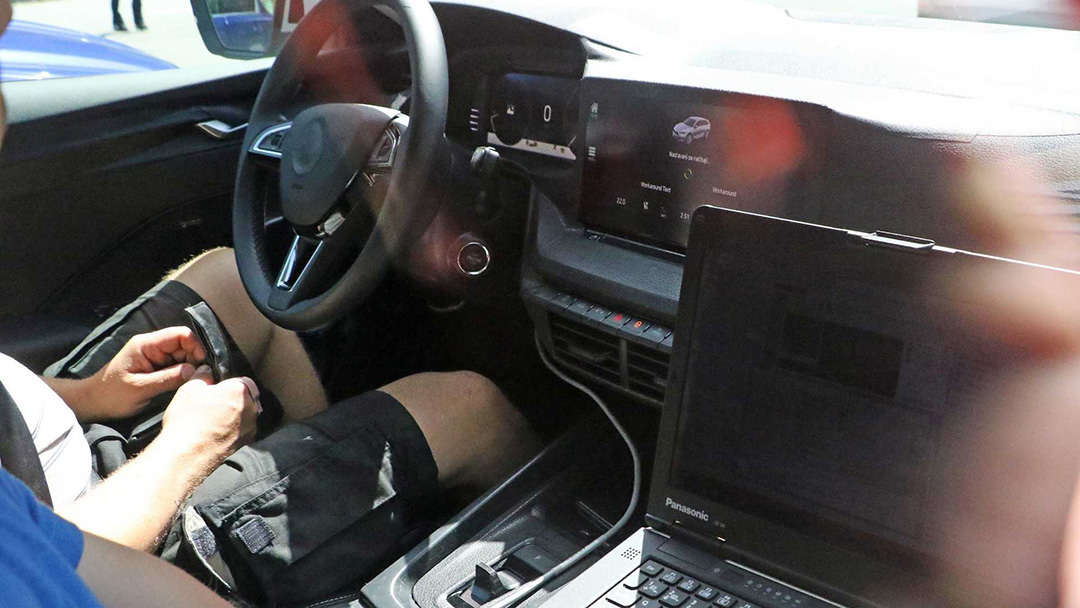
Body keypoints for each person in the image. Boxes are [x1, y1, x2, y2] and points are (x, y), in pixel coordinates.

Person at [0, 3, 539, 605]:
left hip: (44, 453)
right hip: (96, 532)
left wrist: (90, 392)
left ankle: (334, 524)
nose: (4, 112)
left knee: (231, 279)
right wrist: (189, 446)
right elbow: (53, 566)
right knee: (473, 409)